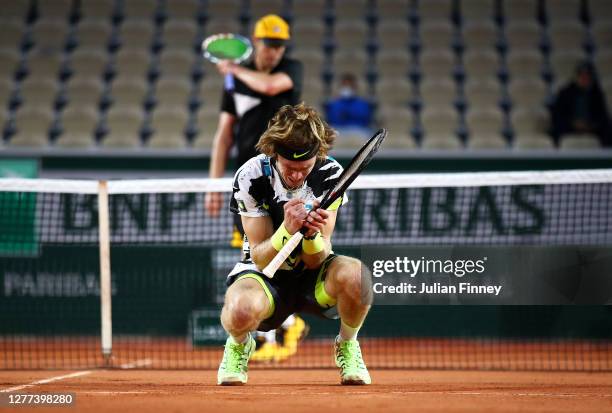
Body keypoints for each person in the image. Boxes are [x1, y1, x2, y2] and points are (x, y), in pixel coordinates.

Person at [217, 103, 373, 386]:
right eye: (290, 167)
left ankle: (348, 345)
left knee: (356, 276)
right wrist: (287, 230)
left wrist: (312, 235)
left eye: (305, 168)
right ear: (274, 154)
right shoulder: (252, 176)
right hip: (266, 276)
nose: (297, 176)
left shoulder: (329, 174)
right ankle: (239, 345)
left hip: (314, 278)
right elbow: (262, 258)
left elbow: (318, 257)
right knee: (239, 309)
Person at [204, 14, 307, 363]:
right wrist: (214, 185)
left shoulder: (291, 69)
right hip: (248, 183)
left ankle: (284, 326)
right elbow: (223, 135)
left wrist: (234, 70)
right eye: (270, 44)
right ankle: (277, 330)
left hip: (283, 177)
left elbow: (268, 86)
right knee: (254, 254)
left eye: (280, 45)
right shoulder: (234, 85)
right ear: (256, 41)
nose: (275, 51)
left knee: (281, 253)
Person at [550, 61, 612, 147]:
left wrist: (590, 125)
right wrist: (573, 123)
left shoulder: (597, 94)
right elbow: (557, 115)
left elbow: (602, 116)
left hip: (591, 128)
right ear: (577, 77)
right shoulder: (565, 93)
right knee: (555, 130)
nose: (584, 79)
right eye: (582, 76)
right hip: (569, 127)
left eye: (587, 77)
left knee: (608, 129)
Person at [324, 73, 374, 139]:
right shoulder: (334, 103)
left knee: (368, 135)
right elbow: (333, 118)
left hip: (358, 130)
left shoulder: (362, 103)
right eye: (345, 85)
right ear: (341, 87)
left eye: (350, 86)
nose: (347, 88)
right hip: (339, 130)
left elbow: (365, 119)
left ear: (355, 87)